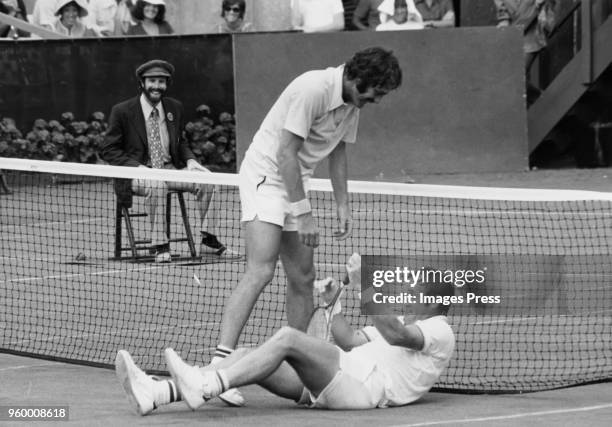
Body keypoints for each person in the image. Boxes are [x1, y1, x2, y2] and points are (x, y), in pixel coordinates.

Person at [202, 47, 402, 406]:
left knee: (303, 277)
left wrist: (342, 203)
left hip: (296, 179)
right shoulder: (312, 88)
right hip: (266, 174)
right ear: (358, 79)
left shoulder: (352, 102)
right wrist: (304, 214)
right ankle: (219, 363)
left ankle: (296, 360)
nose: (377, 101)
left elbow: (338, 151)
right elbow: (284, 154)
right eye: (375, 93)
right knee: (260, 270)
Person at [114, 254, 456, 414]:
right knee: (247, 355)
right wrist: (332, 302)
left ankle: (206, 386)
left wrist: (367, 285)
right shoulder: (397, 320)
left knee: (288, 338)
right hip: (344, 376)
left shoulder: (439, 330)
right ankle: (157, 393)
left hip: (364, 388)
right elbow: (348, 340)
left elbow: (396, 336)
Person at [100, 60, 235, 262]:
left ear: (167, 84)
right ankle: (160, 246)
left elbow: (181, 142)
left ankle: (209, 240)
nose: (157, 86)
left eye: (161, 81)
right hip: (136, 174)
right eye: (152, 81)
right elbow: (108, 149)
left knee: (210, 181)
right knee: (157, 185)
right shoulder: (122, 111)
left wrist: (190, 161)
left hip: (170, 169)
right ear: (142, 84)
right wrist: (137, 167)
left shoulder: (174, 107)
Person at [494, 0, 557, 70]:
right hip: (512, 30)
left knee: (518, 70)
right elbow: (502, 13)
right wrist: (504, 19)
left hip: (532, 33)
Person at [378, 0, 455, 28]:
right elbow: (409, 22)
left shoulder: (446, 1)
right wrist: (441, 23)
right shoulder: (412, 3)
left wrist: (428, 23)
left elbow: (451, 22)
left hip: (443, 36)